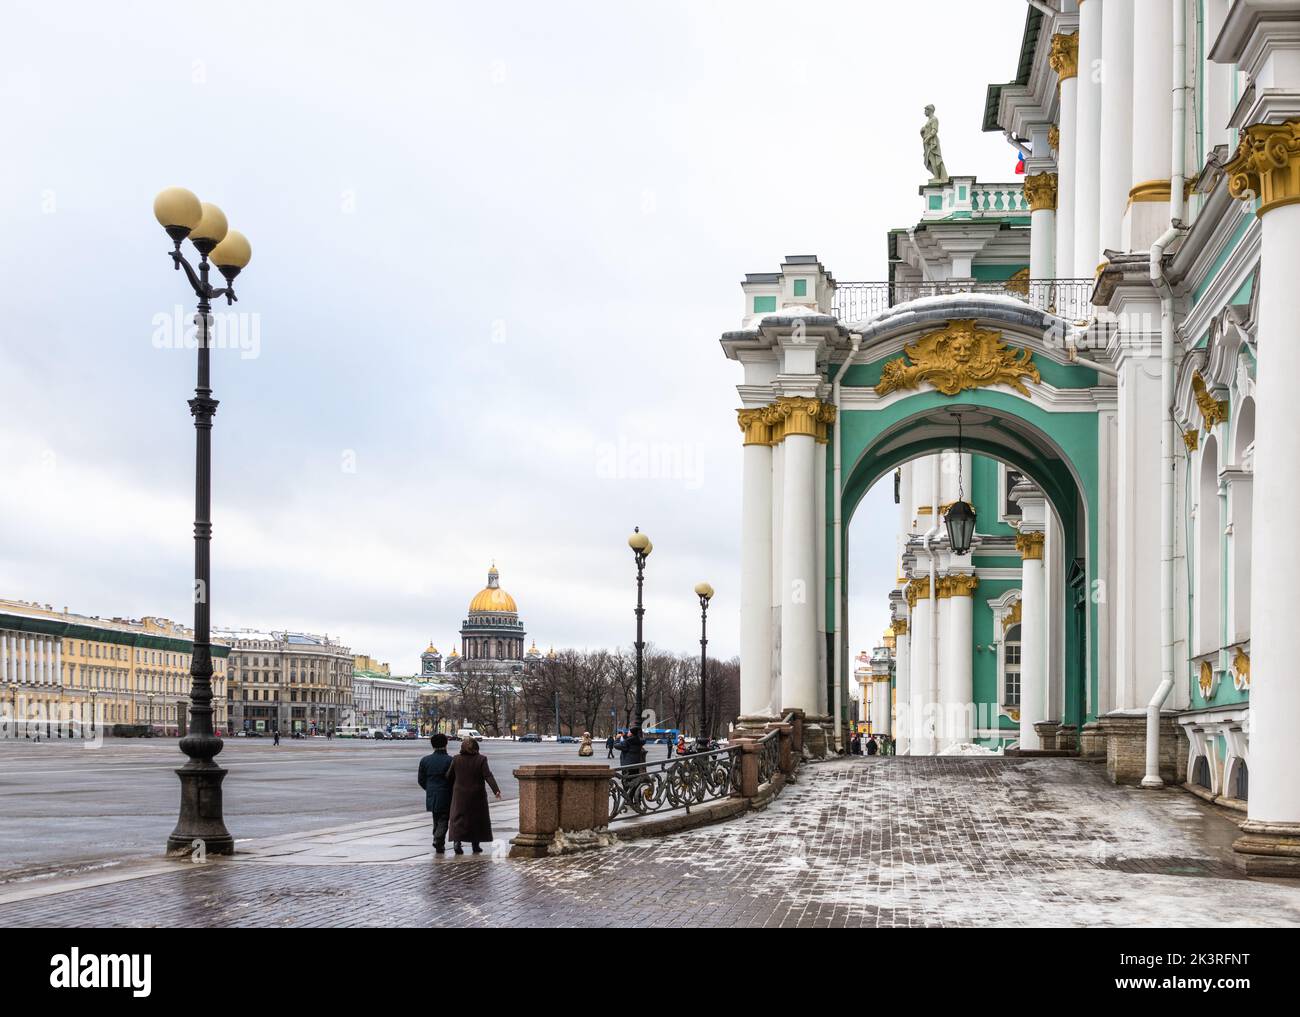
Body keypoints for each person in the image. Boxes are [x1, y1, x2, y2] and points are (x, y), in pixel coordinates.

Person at [446, 736, 501, 855]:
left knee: (458, 819)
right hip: (477, 794)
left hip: (460, 794)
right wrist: (496, 790)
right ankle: (475, 845)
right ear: (476, 747)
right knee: (476, 819)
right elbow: (488, 775)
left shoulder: (456, 759)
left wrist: (453, 787)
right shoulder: (481, 759)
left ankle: (457, 842)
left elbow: (449, 776)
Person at [417, 733, 454, 854]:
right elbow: (454, 778)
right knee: (444, 819)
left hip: (431, 794)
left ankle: (439, 843)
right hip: (446, 793)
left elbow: (421, 780)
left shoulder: (425, 760)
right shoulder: (450, 760)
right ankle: (438, 839)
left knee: (436, 818)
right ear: (445, 744)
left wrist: (429, 788)